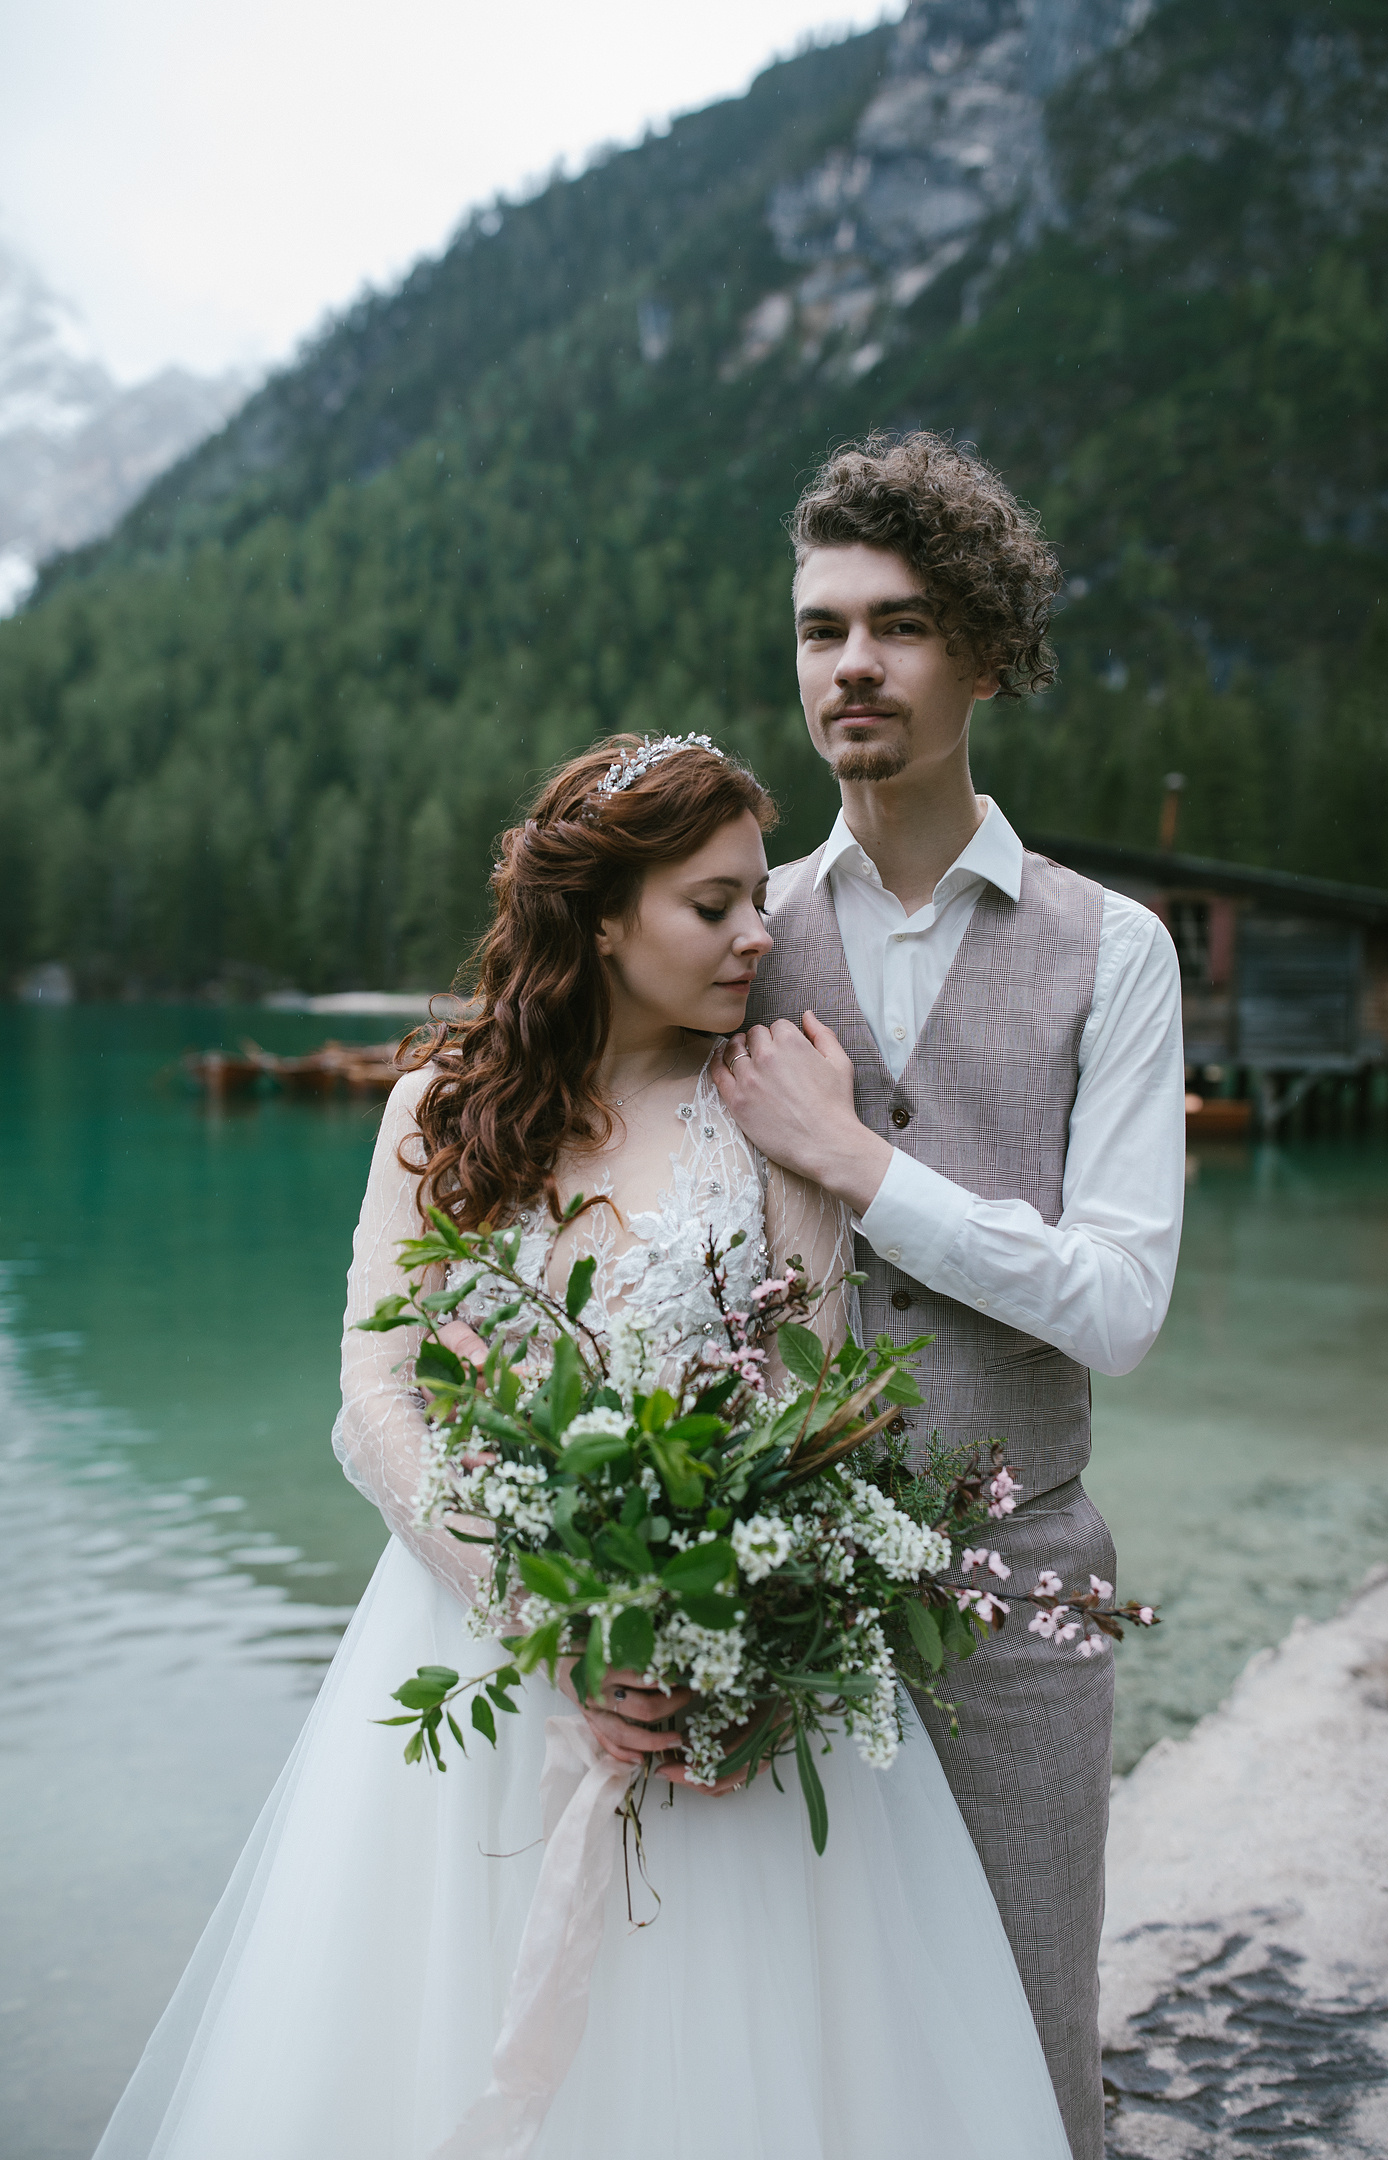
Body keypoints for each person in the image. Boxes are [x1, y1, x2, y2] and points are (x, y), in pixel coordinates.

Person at [93, 734, 1073, 2160]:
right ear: (601, 918)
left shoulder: (771, 1111)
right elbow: (376, 1393)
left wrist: (745, 1647)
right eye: (713, 905)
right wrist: (550, 1616)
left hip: (714, 1683)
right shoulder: (440, 1110)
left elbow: (820, 1399)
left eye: (759, 901)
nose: (758, 935)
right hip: (487, 1649)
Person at [717, 433, 1186, 2160]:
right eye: (821, 627)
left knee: (1025, 2050)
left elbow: (1120, 1309)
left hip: (1024, 1596)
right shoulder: (738, 932)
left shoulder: (1109, 948)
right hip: (766, 1592)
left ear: (986, 653)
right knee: (790, 2055)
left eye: (900, 626)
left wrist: (862, 1168)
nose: (851, 664)